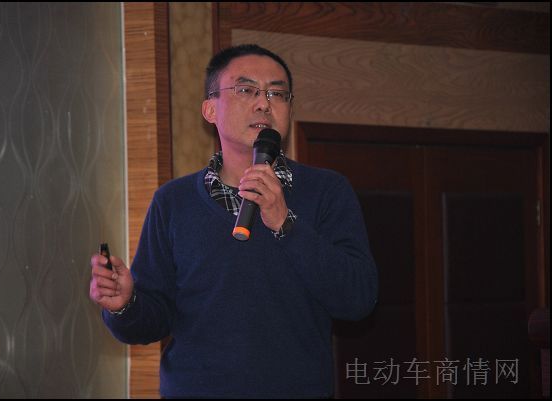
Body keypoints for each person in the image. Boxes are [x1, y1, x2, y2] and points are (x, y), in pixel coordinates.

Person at [89, 44, 378, 398]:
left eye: (277, 93)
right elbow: (153, 319)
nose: (264, 103)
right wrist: (125, 304)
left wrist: (285, 224)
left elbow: (358, 299)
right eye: (246, 90)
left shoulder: (327, 191)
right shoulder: (173, 202)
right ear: (210, 110)